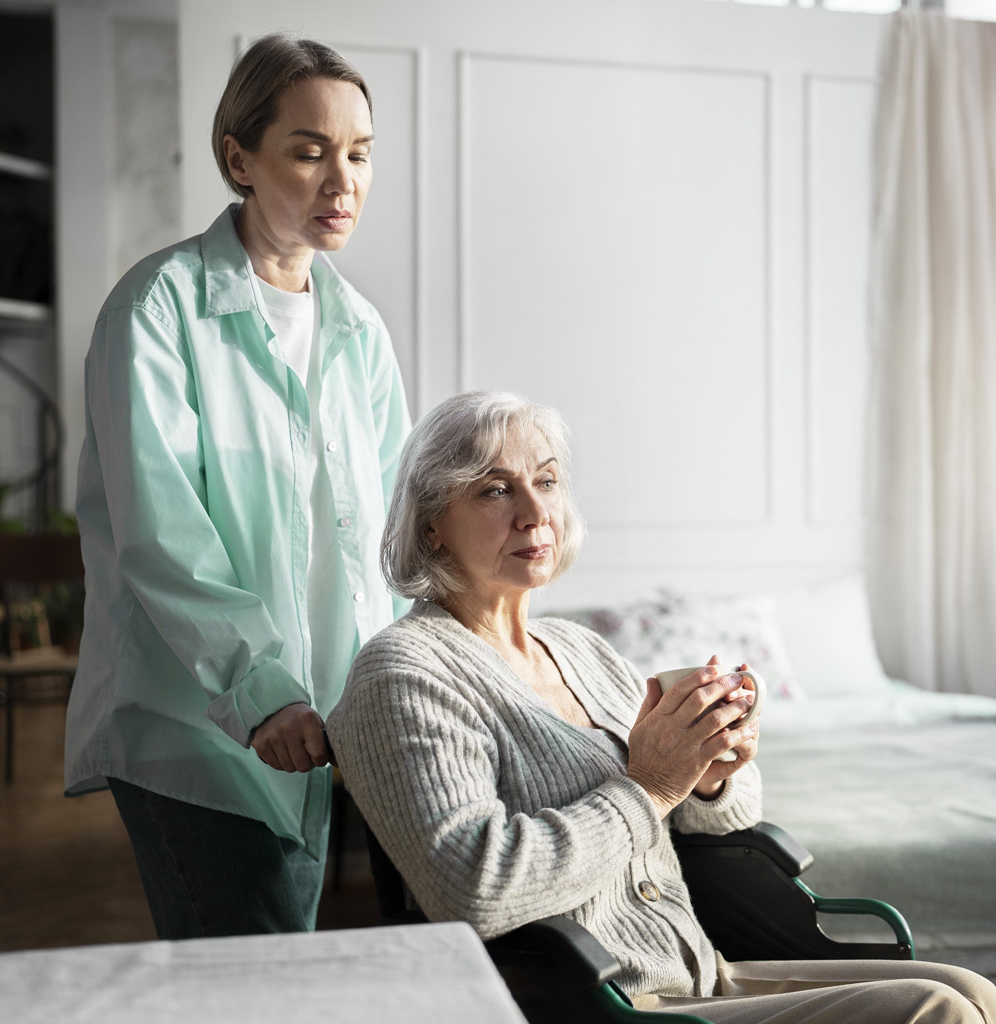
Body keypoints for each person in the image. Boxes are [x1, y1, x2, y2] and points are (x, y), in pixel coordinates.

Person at [327, 390, 996, 1023]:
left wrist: (711, 773)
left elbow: (725, 818)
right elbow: (473, 887)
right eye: (496, 489)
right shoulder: (405, 671)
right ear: (434, 525)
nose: (535, 511)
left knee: (967, 988)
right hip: (601, 1003)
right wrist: (650, 787)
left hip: (699, 972)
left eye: (548, 480)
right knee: (936, 1012)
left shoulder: (579, 648)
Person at [65, 33, 410, 940]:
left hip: (322, 727)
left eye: (360, 153)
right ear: (238, 158)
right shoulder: (157, 307)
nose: (343, 181)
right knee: (250, 976)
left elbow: (388, 539)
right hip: (196, 728)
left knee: (286, 973)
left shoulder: (360, 333)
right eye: (308, 150)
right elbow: (161, 535)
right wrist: (260, 693)